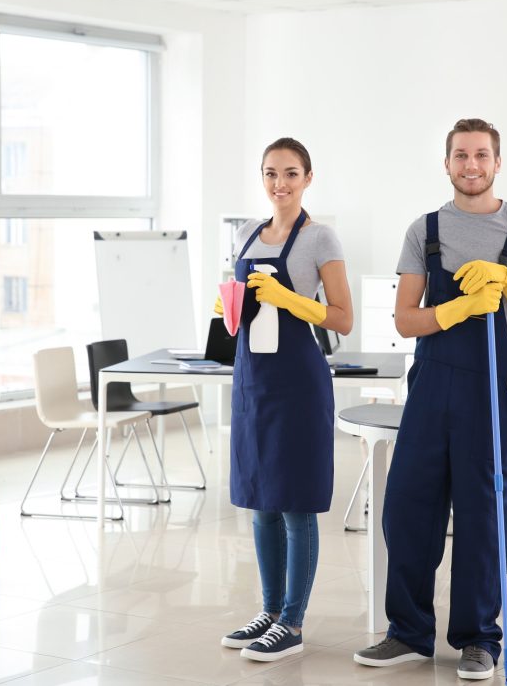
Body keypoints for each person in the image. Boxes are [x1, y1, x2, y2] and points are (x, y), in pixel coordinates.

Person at [354, 118, 507, 680]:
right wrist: (455, 310)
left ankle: (477, 639)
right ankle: (408, 633)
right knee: (408, 508)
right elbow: (404, 320)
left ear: (497, 163)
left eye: (482, 156)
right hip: (432, 388)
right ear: (447, 164)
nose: (471, 165)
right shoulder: (425, 230)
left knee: (482, 515)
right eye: (461, 156)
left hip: (494, 391)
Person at [218, 138, 353, 662]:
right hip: (253, 382)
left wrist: (291, 299)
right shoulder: (251, 234)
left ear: (308, 178)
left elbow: (342, 317)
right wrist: (228, 304)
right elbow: (244, 315)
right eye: (271, 174)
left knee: (295, 505)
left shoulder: (321, 238)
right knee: (260, 503)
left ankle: (293, 623)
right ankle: (269, 612)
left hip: (298, 383)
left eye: (291, 173)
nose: (280, 184)